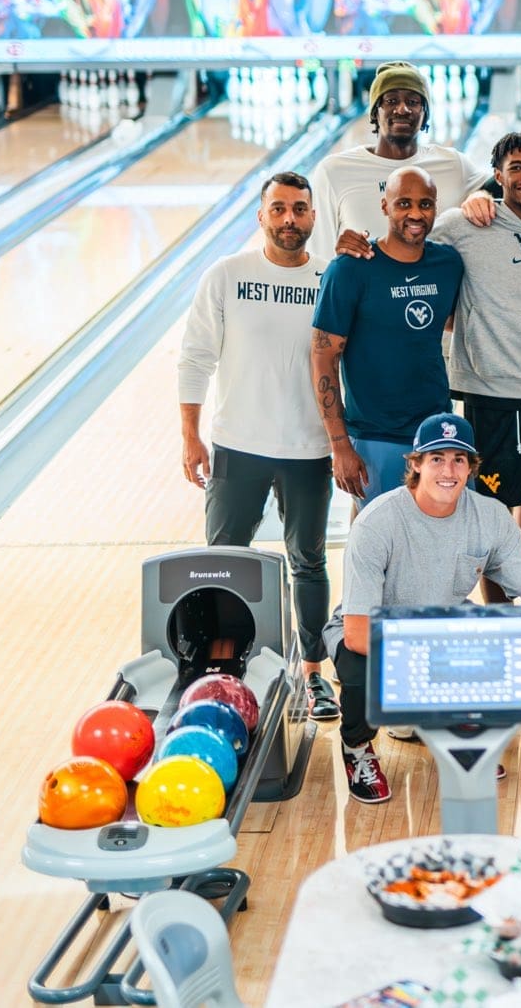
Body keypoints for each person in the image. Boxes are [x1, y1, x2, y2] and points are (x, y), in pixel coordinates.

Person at [323, 413, 521, 804]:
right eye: (436, 459)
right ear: (415, 463)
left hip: (443, 627)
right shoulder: (377, 522)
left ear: (471, 467)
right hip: (375, 629)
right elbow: (358, 634)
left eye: (458, 459)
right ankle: (358, 748)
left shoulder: (490, 517)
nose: (448, 470)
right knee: (361, 673)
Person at [176, 171, 339, 722]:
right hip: (237, 445)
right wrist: (189, 436)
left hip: (309, 446)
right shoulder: (226, 276)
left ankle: (315, 675)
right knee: (223, 561)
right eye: (279, 209)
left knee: (308, 561)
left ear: (314, 217)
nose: (289, 219)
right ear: (261, 216)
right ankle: (222, 668)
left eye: (299, 209)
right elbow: (195, 357)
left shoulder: (330, 277)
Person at [431, 133, 521, 603]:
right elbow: (408, 241)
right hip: (490, 401)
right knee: (494, 532)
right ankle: (501, 627)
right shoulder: (464, 224)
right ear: (498, 177)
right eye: (515, 167)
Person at [311, 169, 464, 505]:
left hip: (436, 433)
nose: (415, 213)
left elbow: (452, 320)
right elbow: (323, 356)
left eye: (425, 204)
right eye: (403, 203)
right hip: (374, 437)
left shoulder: (448, 263)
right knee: (378, 545)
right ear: (384, 206)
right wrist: (340, 446)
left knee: (436, 542)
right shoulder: (350, 269)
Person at [309, 62, 487, 258]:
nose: (402, 109)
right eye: (391, 101)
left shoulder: (455, 165)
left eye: (413, 102)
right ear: (375, 112)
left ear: (425, 114)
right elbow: (319, 256)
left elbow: (506, 189)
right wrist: (339, 261)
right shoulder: (334, 171)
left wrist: (482, 195)